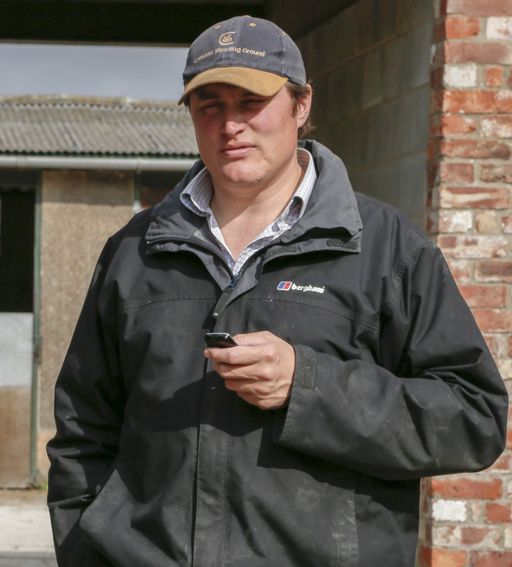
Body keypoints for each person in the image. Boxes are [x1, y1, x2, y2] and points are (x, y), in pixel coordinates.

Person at [46, 15, 508, 567]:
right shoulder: (135, 251)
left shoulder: (388, 251)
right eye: (209, 104)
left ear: (301, 105)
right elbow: (82, 432)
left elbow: (474, 418)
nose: (230, 125)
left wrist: (308, 385)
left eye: (251, 101)